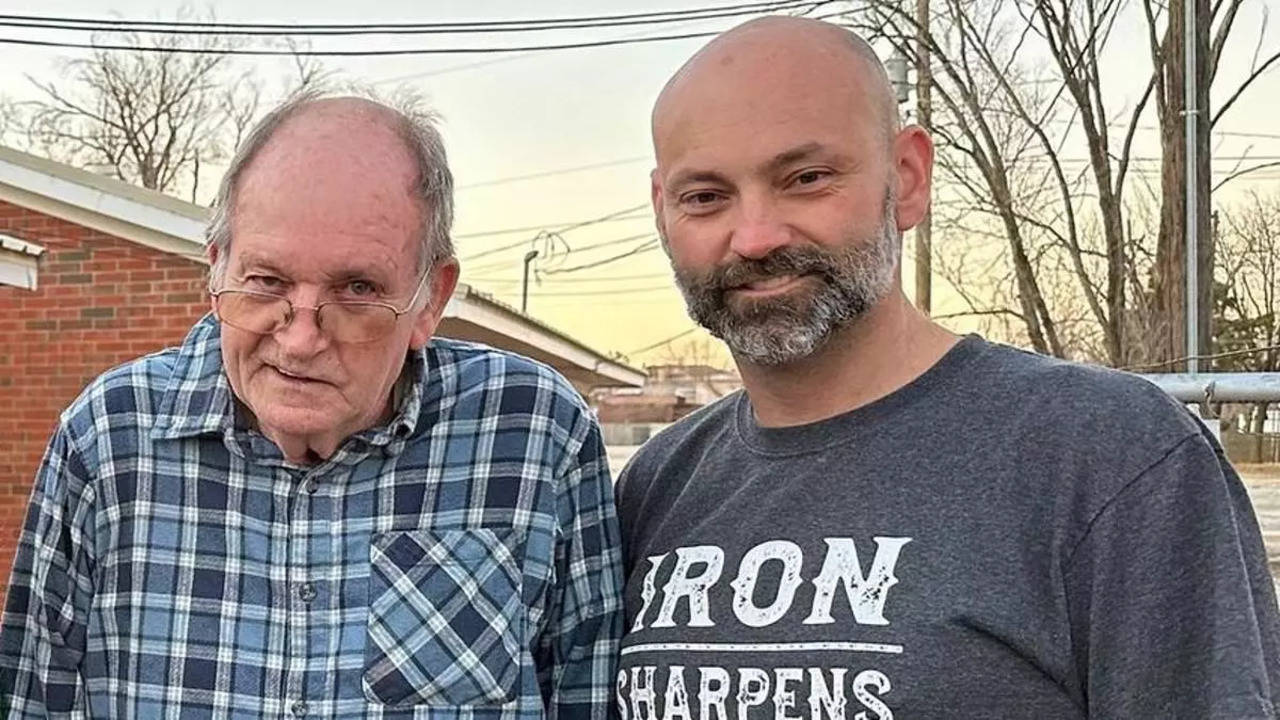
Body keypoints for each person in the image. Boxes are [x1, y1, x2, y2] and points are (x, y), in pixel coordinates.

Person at [614, 16, 1280, 719]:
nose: (754, 237)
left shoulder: (1112, 455)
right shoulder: (658, 487)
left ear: (907, 179)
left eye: (805, 178)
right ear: (663, 213)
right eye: (706, 197)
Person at [0, 93, 623, 719]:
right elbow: (30, 695)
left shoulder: (534, 433)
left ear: (430, 299)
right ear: (216, 269)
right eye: (267, 282)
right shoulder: (109, 438)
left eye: (357, 289)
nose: (300, 341)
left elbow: (588, 692)